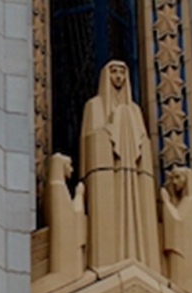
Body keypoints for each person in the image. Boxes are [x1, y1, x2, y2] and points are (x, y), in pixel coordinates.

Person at [79, 60, 160, 273]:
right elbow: (88, 142)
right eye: (113, 72)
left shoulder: (134, 110)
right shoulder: (94, 106)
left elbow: (143, 141)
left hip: (133, 175)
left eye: (122, 73)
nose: (118, 77)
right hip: (104, 178)